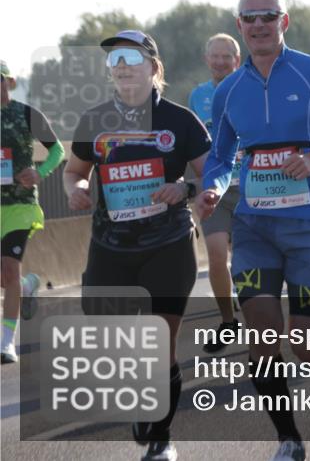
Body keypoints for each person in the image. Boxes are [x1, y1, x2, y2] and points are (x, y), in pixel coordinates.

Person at [195, 0, 310, 461]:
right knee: (264, 336)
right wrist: (212, 186)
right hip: (253, 227)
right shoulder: (228, 91)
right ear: (239, 26)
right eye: (249, 18)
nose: (258, 25)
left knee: (307, 340)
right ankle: (289, 440)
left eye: (267, 16)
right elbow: (221, 155)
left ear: (283, 21)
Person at [62, 31, 209, 461]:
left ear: (154, 67)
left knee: (161, 343)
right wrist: (78, 187)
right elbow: (74, 171)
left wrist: (184, 187)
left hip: (167, 244)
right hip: (110, 246)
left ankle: (162, 440)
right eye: (113, 60)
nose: (121, 65)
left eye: (131, 57)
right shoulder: (95, 119)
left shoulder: (180, 121)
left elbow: (213, 177)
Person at [1, 61, 64, 364]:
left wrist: (40, 172)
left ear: (9, 82)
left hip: (20, 205)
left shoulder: (26, 113)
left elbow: (57, 150)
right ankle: (27, 286)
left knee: (10, 268)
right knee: (8, 277)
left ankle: (6, 342)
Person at [189, 34, 242, 353]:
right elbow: (194, 142)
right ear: (207, 59)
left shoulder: (250, 87)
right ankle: (228, 321)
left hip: (251, 188)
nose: (221, 61)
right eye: (215, 56)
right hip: (215, 190)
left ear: (237, 59)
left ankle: (261, 321)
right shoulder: (198, 96)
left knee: (248, 262)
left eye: (227, 56)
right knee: (217, 254)